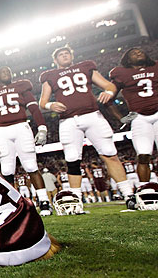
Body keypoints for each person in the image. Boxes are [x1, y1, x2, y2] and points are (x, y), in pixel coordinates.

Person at [39, 46, 133, 211]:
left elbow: (109, 86)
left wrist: (110, 94)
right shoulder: (50, 75)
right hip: (68, 121)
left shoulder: (85, 67)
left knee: (110, 154)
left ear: (72, 56)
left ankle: (129, 195)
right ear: (55, 60)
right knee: (72, 160)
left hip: (92, 115)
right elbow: (42, 102)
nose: (65, 55)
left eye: (67, 53)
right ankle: (75, 201)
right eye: (60, 54)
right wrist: (50, 104)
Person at [0, 66, 52, 215]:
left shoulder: (22, 86)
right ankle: (11, 205)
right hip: (2, 131)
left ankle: (44, 201)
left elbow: (34, 109)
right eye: (3, 72)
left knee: (31, 166)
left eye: (8, 71)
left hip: (21, 127)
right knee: (7, 170)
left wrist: (42, 128)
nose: (6, 73)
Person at [108, 47, 158, 188]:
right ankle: (146, 191)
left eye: (141, 51)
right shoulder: (121, 73)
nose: (138, 52)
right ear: (128, 60)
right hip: (139, 117)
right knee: (143, 155)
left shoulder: (156, 66)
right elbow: (107, 99)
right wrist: (121, 118)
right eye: (134, 53)